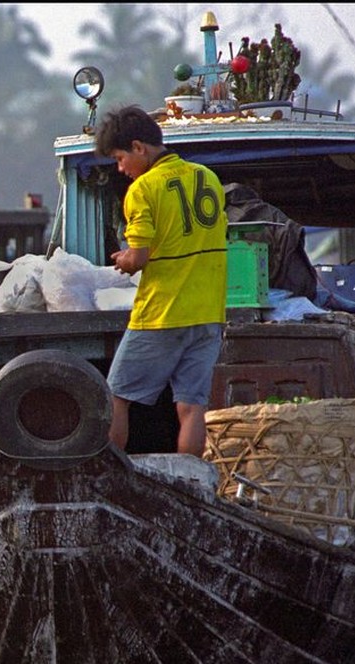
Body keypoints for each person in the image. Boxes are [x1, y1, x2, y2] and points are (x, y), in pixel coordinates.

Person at [96, 105, 228, 457]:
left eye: (120, 158)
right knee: (191, 407)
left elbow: (138, 257)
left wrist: (124, 260)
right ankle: (191, 487)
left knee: (116, 397)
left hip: (162, 312)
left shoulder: (143, 190)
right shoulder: (207, 178)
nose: (121, 169)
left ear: (139, 148)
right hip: (208, 313)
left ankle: (110, 481)